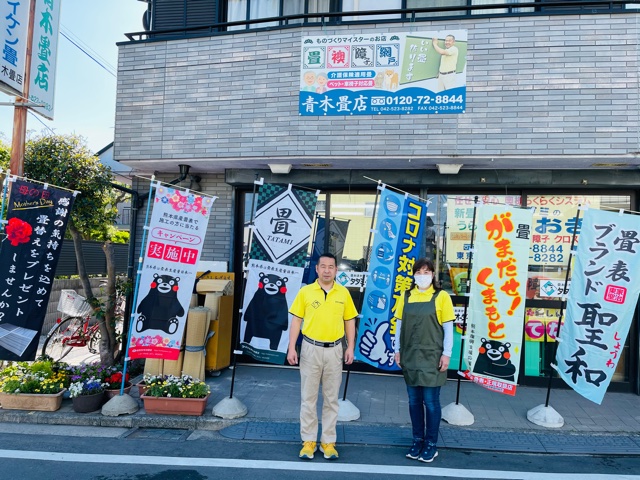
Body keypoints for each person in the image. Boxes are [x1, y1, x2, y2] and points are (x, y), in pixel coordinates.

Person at [287, 252, 357, 461]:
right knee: (308, 398)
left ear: (336, 270)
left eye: (331, 266)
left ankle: (328, 442)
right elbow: (296, 321)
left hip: (335, 350)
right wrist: (292, 348)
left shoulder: (343, 293)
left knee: (331, 399)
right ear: (316, 269)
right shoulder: (306, 292)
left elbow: (350, 322)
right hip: (310, 348)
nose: (327, 270)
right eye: (323, 266)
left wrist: (350, 347)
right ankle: (308, 441)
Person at [394, 258, 454, 463]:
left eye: (426, 272)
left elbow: (448, 328)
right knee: (413, 401)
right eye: (418, 271)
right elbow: (399, 325)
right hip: (410, 355)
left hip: (432, 356)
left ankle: (431, 444)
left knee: (431, 402)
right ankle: (417, 440)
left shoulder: (442, 296)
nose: (422, 275)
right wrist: (397, 350)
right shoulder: (406, 295)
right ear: (413, 274)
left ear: (433, 275)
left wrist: (447, 353)